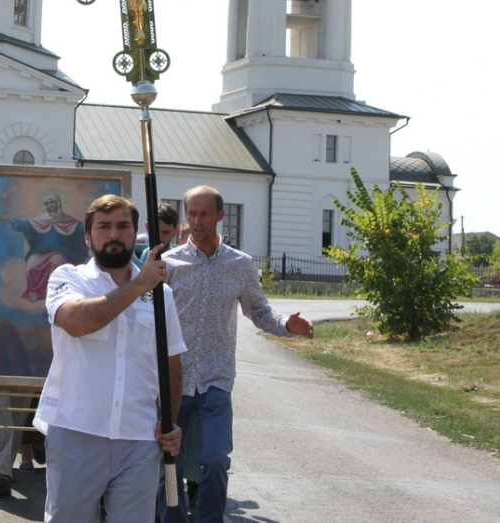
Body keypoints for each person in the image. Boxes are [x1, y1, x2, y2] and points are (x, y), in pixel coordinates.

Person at [158, 186, 314, 523]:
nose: (197, 221)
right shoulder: (168, 265)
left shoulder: (239, 265)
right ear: (185, 216)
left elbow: (259, 312)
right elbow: (150, 320)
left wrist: (288, 324)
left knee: (214, 460)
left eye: (204, 214)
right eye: (192, 213)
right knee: (168, 461)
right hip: (174, 379)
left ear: (220, 215)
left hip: (215, 379)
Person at [33, 194, 186, 522]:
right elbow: (76, 322)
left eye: (122, 226)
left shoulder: (162, 296)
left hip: (139, 438)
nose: (113, 234)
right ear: (88, 237)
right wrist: (138, 285)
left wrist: (169, 420)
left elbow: (171, 365)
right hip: (76, 430)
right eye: (104, 227)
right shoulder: (68, 278)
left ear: (135, 234)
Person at [1, 192, 86, 302]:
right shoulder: (39, 221)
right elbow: (25, 226)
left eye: (52, 202)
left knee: (57, 260)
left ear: (58, 203)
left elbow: (80, 228)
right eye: (47, 203)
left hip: (61, 251)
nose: (50, 205)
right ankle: (35, 292)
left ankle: (56, 292)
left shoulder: (68, 221)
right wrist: (11, 219)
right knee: (32, 263)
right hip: (40, 251)